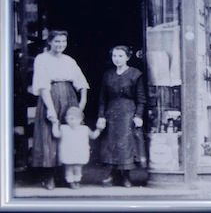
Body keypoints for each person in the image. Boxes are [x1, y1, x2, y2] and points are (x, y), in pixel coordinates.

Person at [31, 30, 90, 190]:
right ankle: (49, 176)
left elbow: (81, 82)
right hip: (50, 98)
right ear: (50, 42)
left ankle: (68, 177)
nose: (60, 45)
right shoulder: (42, 59)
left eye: (63, 41)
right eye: (57, 41)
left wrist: (81, 103)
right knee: (49, 135)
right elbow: (42, 85)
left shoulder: (69, 60)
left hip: (69, 98)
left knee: (69, 137)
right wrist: (50, 109)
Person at [97, 45, 146, 187]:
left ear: (128, 57)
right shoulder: (108, 74)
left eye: (120, 56)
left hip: (128, 112)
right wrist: (101, 116)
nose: (117, 59)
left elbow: (141, 98)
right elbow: (102, 99)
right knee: (111, 143)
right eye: (114, 56)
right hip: (111, 112)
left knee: (126, 144)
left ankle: (126, 176)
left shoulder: (135, 74)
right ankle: (113, 174)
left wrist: (138, 115)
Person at [50, 106, 102, 189]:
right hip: (68, 152)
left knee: (78, 167)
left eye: (74, 119)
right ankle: (70, 182)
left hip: (79, 152)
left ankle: (77, 180)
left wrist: (99, 130)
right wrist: (54, 124)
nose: (72, 121)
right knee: (69, 167)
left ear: (80, 119)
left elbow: (93, 136)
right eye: (69, 119)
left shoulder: (84, 129)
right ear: (66, 119)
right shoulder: (64, 128)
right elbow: (56, 134)